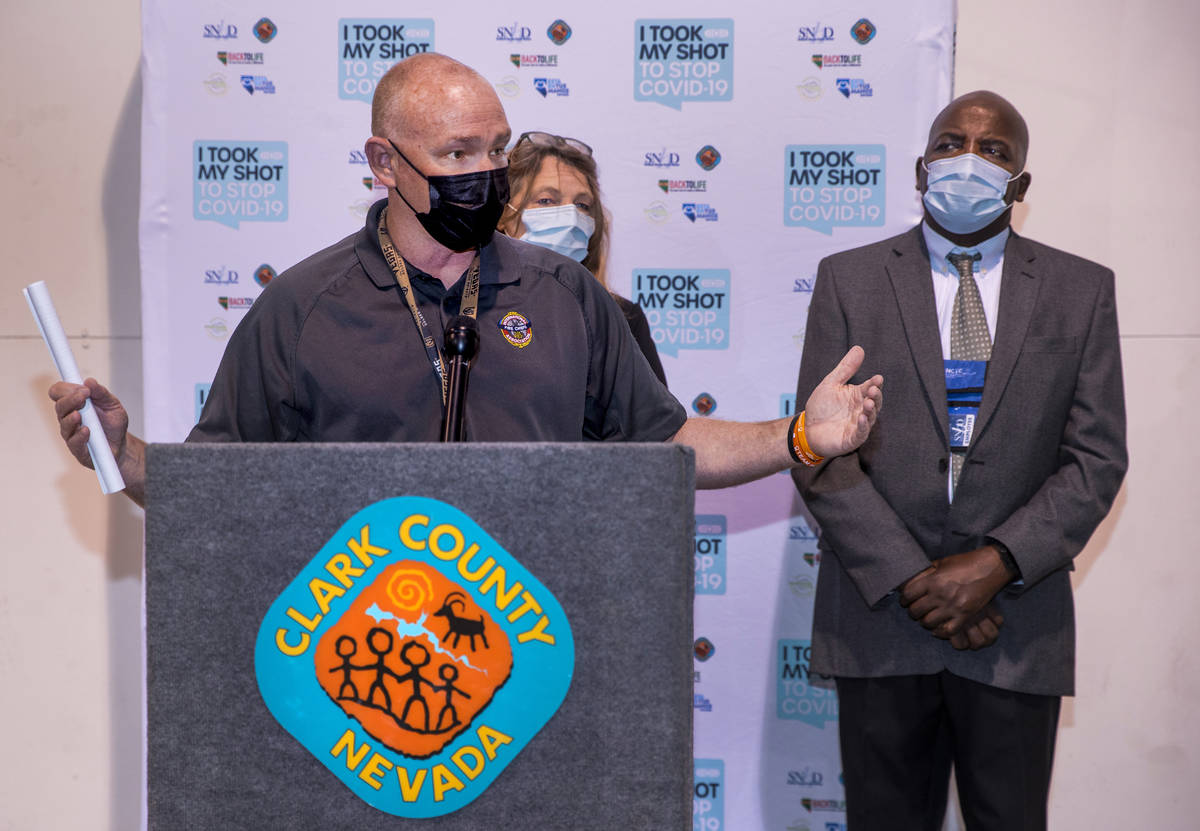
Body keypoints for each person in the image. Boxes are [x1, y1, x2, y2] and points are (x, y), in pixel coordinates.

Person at [50, 53, 882, 509]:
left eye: (495, 148)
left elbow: (664, 444)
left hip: (536, 649)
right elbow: (214, 485)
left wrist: (797, 435)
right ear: (384, 162)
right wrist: (121, 451)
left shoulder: (566, 296)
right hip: (360, 663)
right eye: (455, 154)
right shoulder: (301, 309)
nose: (484, 172)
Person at [791, 90, 1127, 830]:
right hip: (881, 619)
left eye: (994, 150)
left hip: (1015, 621)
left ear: (1021, 184)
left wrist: (997, 562)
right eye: (950, 144)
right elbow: (816, 449)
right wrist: (916, 579)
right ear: (920, 166)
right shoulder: (848, 278)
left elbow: (1097, 456)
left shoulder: (1081, 290)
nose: (968, 160)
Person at [498, 131, 667, 385]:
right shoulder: (475, 311)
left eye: (582, 205)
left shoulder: (622, 319)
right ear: (504, 215)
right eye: (546, 200)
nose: (570, 216)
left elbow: (656, 422)